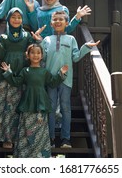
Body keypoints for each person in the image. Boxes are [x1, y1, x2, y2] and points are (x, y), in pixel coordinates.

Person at [32, 11, 100, 148]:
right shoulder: (47, 40)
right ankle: (50, 138)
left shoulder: (71, 39)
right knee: (50, 109)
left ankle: (65, 139)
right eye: (55, 19)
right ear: (51, 23)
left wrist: (86, 48)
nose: (58, 22)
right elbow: (42, 58)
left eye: (61, 19)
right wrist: (38, 41)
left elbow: (75, 57)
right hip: (50, 80)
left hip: (66, 81)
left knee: (65, 108)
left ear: (66, 23)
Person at [0, 43, 68, 158]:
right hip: (27, 102)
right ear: (28, 55)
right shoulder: (25, 71)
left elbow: (52, 83)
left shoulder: (44, 72)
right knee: (25, 128)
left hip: (41, 103)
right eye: (32, 52)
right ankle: (23, 154)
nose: (35, 55)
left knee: (41, 130)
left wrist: (61, 74)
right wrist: (8, 72)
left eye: (38, 53)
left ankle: (40, 155)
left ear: (42, 56)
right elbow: (16, 82)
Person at [0, 7, 37, 149]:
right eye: (13, 17)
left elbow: (32, 51)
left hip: (21, 76)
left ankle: (18, 138)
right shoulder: (4, 37)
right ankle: (4, 137)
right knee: (5, 107)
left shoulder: (26, 37)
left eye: (19, 17)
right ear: (9, 19)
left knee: (17, 108)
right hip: (5, 76)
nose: (16, 19)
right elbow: (1, 55)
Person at [25, 0, 91, 38]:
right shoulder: (38, 10)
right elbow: (35, 27)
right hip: (41, 45)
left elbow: (67, 29)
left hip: (57, 45)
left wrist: (77, 16)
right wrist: (31, 10)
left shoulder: (62, 9)